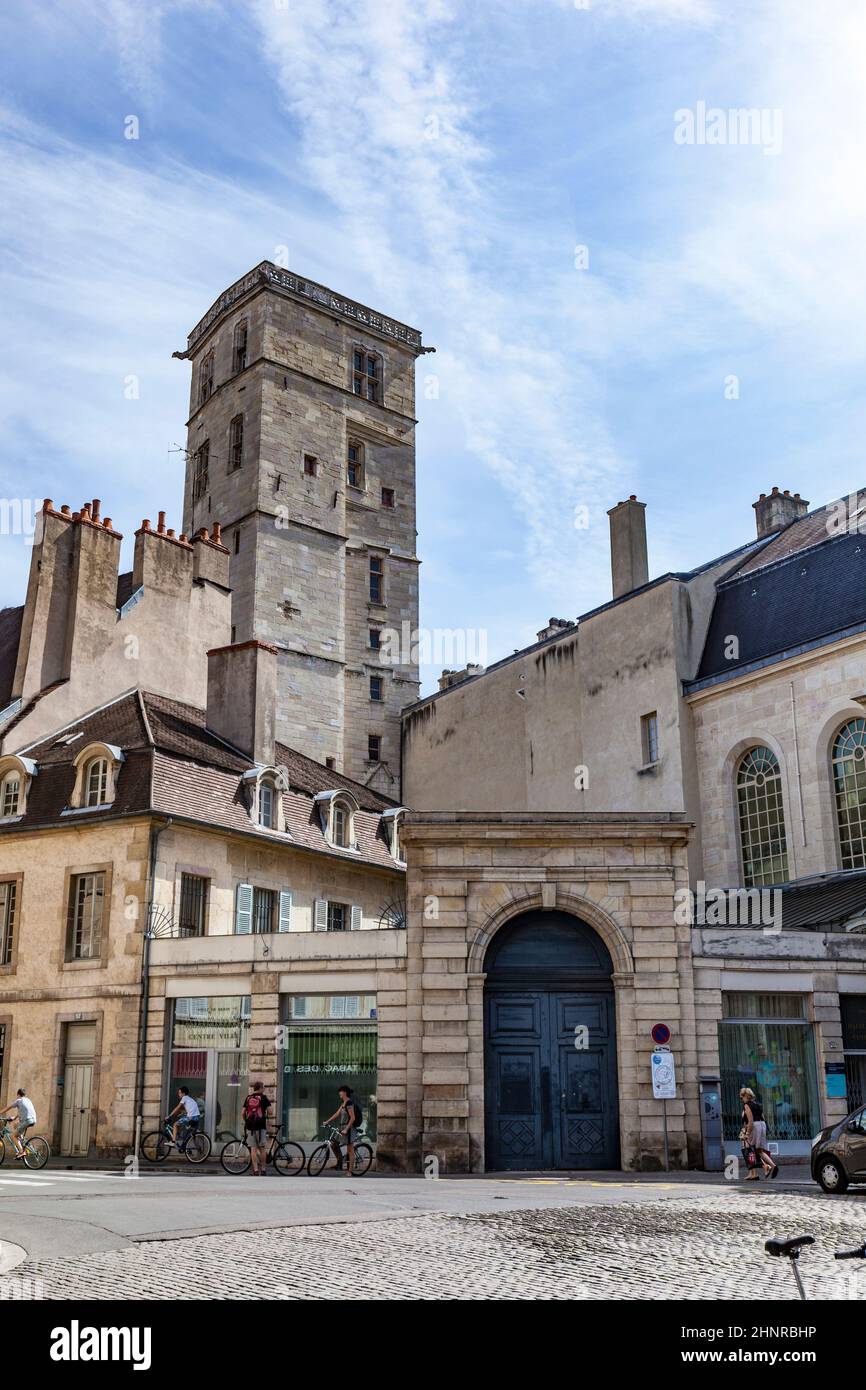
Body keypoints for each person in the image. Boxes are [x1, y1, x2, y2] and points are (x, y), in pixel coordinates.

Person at [739, 1086, 778, 1180]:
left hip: (754, 1126)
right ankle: (768, 1167)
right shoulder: (757, 1104)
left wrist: (747, 1133)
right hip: (762, 1125)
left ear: (745, 1096)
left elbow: (750, 1121)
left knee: (750, 1150)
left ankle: (767, 1167)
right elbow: (763, 1117)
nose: (741, 1099)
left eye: (741, 1097)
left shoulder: (747, 1105)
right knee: (757, 1149)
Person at [325, 1085, 362, 1176]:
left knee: (350, 1150)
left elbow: (352, 1118)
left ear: (345, 1092)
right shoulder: (343, 1104)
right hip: (342, 1128)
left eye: (340, 1091)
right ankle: (340, 1163)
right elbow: (337, 1114)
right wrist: (327, 1121)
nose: (339, 1093)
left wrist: (346, 1129)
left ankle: (349, 1172)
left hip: (349, 1129)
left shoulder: (349, 1103)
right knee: (334, 1144)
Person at [242, 1081, 271, 1175]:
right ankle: (263, 1169)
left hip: (250, 1127)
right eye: (263, 1087)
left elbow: (243, 1113)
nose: (264, 1089)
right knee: (262, 1148)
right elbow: (270, 1112)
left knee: (253, 1149)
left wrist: (246, 1121)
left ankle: (255, 1170)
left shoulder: (248, 1098)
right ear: (260, 1088)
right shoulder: (263, 1097)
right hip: (261, 1125)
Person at [1, 1088, 36, 1158]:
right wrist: (15, 1118)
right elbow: (24, 1111)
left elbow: (8, 1107)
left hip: (27, 1120)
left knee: (13, 1136)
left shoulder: (19, 1100)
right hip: (33, 1120)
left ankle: (21, 1151)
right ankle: (23, 1142)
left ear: (18, 1094)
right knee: (15, 1125)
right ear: (25, 1095)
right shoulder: (28, 1100)